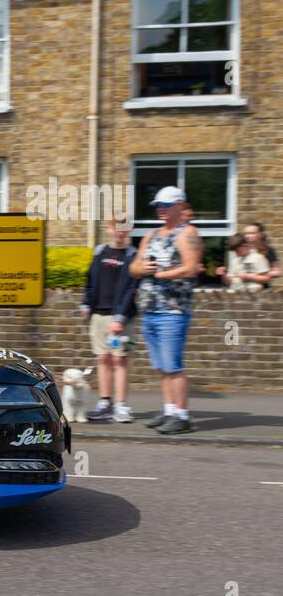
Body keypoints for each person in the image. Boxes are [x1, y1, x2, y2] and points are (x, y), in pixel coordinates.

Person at [131, 186, 202, 434]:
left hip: (172, 310)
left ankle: (182, 416)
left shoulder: (187, 233)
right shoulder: (150, 236)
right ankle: (169, 410)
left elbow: (191, 268)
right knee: (162, 366)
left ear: (180, 205)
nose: (161, 209)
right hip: (150, 309)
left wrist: (160, 273)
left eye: (166, 205)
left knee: (173, 366)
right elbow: (134, 268)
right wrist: (144, 269)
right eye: (158, 205)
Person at [81, 220, 138, 422]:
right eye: (116, 228)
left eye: (124, 229)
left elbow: (132, 289)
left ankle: (121, 406)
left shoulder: (132, 255)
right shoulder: (99, 252)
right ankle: (105, 403)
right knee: (102, 358)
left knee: (119, 360)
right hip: (98, 316)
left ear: (129, 230)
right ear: (108, 228)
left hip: (119, 320)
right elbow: (90, 280)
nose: (119, 232)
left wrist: (120, 318)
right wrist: (86, 303)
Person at [218, 222, 278, 290]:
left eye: (251, 233)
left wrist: (249, 276)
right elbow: (230, 282)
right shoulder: (236, 260)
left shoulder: (266, 251)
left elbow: (273, 274)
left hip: (260, 291)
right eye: (246, 233)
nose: (248, 236)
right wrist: (223, 274)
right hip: (239, 293)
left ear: (260, 234)